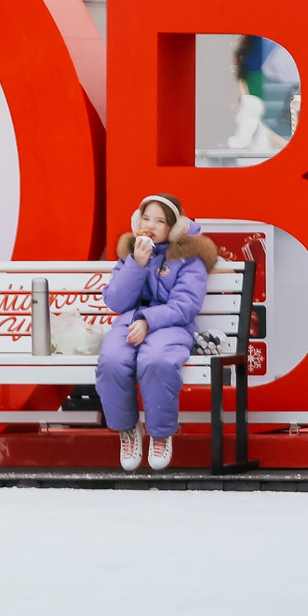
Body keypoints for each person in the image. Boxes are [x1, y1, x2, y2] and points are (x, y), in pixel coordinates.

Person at [95, 194, 217, 473]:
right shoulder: (133, 250)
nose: (151, 225)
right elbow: (115, 301)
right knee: (112, 360)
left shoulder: (189, 256)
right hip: (131, 321)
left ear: (174, 227)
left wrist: (148, 320)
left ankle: (160, 434)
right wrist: (136, 264)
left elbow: (186, 304)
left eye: (160, 221)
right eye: (146, 218)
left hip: (172, 325)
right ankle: (127, 430)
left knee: (157, 361)